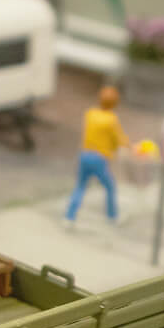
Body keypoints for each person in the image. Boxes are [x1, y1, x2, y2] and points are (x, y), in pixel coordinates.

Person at [65, 85, 129, 228]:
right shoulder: (111, 119)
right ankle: (112, 216)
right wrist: (130, 146)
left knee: (80, 186)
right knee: (110, 186)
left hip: (85, 154)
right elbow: (118, 139)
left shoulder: (90, 114)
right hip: (99, 158)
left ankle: (69, 217)